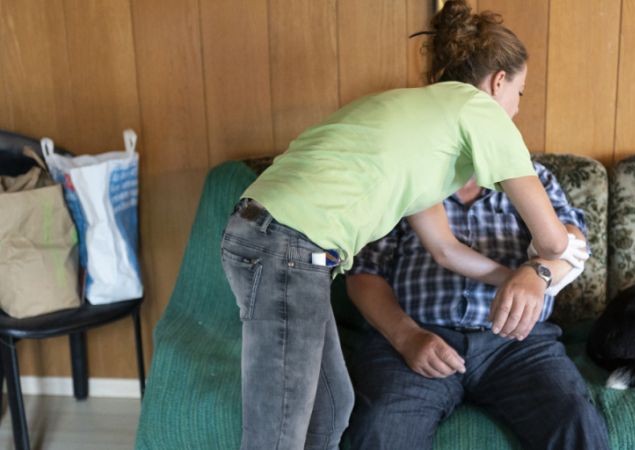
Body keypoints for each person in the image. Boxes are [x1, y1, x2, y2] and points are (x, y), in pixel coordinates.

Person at [219, 1, 580, 448]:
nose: (516, 110)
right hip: (286, 242)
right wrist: (551, 266)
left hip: (274, 238)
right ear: (499, 82)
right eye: (519, 94)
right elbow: (553, 239)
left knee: (331, 411)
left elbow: (443, 248)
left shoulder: (420, 131)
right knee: (278, 432)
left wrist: (517, 280)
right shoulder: (480, 109)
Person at [345, 162, 610, 449]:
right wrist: (406, 336)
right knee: (381, 427)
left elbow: (574, 243)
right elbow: (364, 273)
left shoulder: (529, 174)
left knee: (574, 420)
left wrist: (538, 273)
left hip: (518, 343)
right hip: (418, 337)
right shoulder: (408, 171)